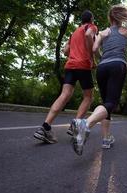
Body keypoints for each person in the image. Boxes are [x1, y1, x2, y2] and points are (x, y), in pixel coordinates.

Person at [70, 5, 127, 155]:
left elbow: (94, 49)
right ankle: (85, 124)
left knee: (105, 104)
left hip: (102, 67)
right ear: (121, 17)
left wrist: (102, 59)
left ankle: (106, 139)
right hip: (118, 65)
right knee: (111, 104)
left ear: (110, 18)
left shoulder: (102, 32)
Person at [34, 10, 98, 144]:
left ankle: (45, 127)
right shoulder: (91, 27)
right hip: (83, 65)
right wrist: (92, 58)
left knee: (64, 95)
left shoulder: (73, 33)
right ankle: (75, 126)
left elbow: (65, 51)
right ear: (91, 19)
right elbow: (88, 35)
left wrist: (75, 53)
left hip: (70, 66)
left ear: (81, 20)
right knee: (88, 97)